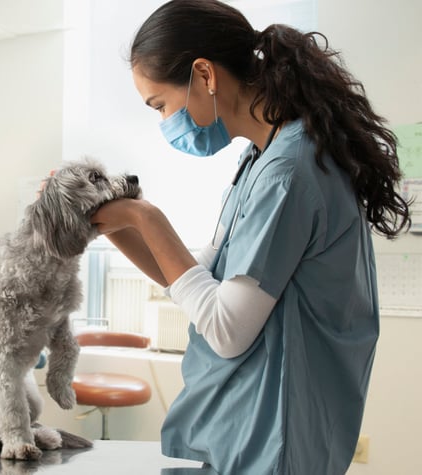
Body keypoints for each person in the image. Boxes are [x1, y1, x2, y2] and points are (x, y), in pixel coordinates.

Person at [90, 0, 411, 473]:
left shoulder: (289, 172)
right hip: (247, 429)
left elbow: (226, 329)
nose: (164, 123)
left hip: (277, 437)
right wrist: (108, 224)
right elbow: (195, 277)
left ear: (204, 75)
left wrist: (146, 218)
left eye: (161, 105)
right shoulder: (259, 161)